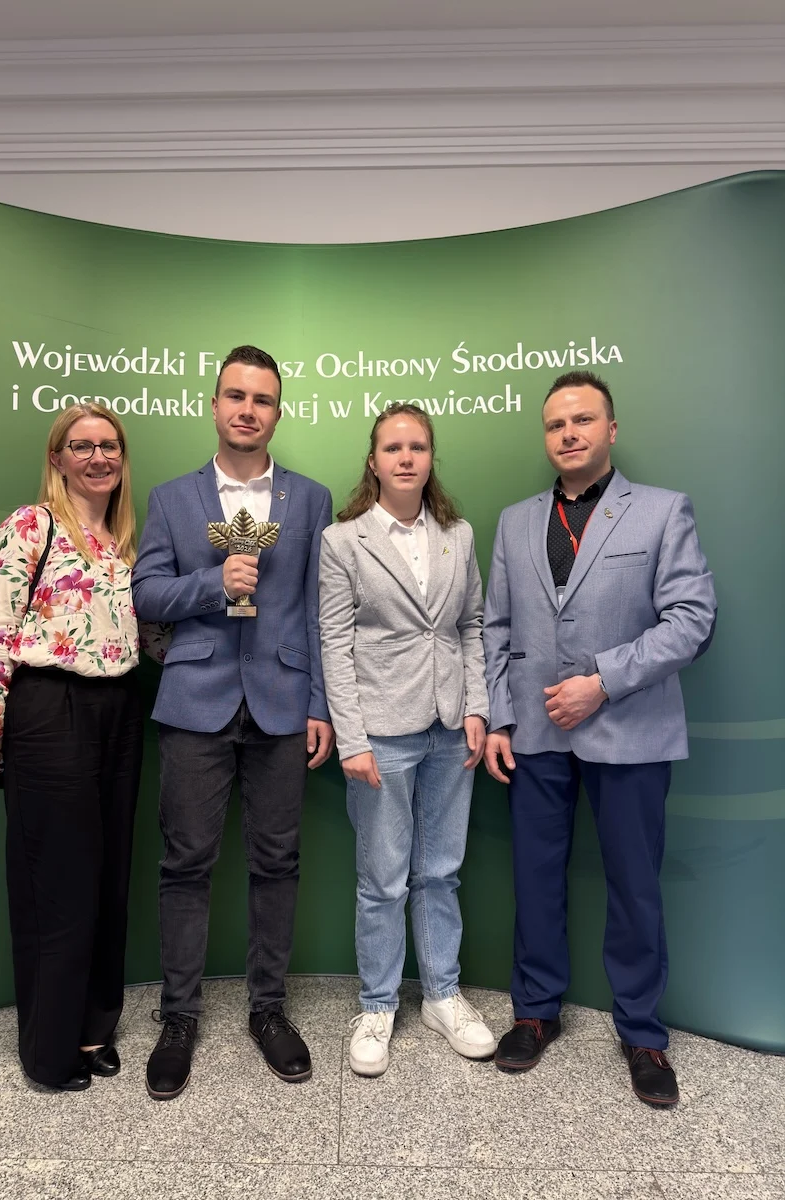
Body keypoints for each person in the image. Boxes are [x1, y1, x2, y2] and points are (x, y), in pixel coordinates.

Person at [482, 370, 716, 1107]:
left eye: (583, 420)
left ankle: (643, 1034)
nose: (569, 433)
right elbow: (496, 628)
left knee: (635, 888)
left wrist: (604, 681)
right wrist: (499, 716)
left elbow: (692, 620)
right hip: (535, 734)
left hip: (631, 730)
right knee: (535, 880)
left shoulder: (662, 511)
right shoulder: (515, 522)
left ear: (611, 430)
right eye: (556, 424)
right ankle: (534, 1012)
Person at [132, 344, 334, 1100]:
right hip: (196, 698)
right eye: (237, 396)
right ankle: (179, 1016)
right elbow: (146, 593)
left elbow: (320, 609)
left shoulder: (309, 501)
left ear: (278, 412)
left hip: (282, 700)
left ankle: (268, 1008)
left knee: (277, 861)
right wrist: (211, 584)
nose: (249, 410)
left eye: (263, 399)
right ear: (214, 405)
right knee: (185, 862)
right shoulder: (171, 499)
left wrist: (319, 705)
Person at [0, 402, 145, 1091]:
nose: (98, 457)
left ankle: (95, 1028)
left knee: (109, 877)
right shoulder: (30, 526)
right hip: (48, 707)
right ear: (58, 458)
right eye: (82, 446)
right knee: (58, 884)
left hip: (120, 709)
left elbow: (143, 631)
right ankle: (49, 1050)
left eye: (109, 445)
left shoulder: (126, 543)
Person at [318, 402, 494, 1077]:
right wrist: (352, 739)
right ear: (373, 460)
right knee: (383, 879)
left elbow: (471, 625)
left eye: (417, 446)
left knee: (441, 872)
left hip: (451, 729)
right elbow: (334, 644)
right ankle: (378, 1004)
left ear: (430, 457)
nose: (405, 457)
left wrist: (476, 705)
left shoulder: (458, 534)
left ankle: (443, 996)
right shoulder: (344, 541)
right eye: (392, 447)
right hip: (381, 733)